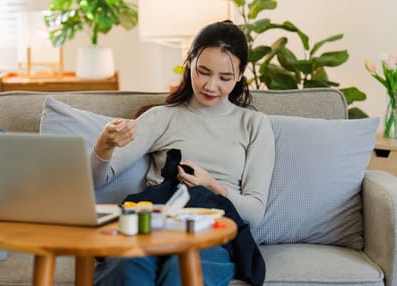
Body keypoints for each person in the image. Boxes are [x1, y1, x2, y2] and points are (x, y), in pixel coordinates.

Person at [91, 20, 275, 286]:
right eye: (203, 72)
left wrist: (210, 184)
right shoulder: (162, 118)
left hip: (212, 231)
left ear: (240, 75)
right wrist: (104, 144)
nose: (211, 86)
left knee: (184, 272)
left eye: (224, 78)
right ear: (188, 61)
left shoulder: (254, 125)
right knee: (128, 268)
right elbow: (97, 179)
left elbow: (255, 212)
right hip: (153, 225)